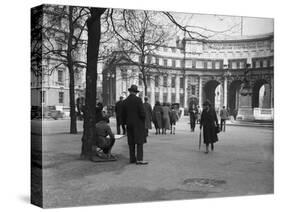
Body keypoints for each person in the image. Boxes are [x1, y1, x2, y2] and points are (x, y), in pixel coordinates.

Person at [122, 85, 148, 165]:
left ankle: (132, 158)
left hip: (129, 124)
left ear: (130, 91)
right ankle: (139, 159)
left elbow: (123, 115)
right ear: (136, 92)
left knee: (131, 142)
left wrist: (125, 123)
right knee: (139, 141)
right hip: (138, 123)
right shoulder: (138, 100)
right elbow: (142, 113)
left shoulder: (125, 101)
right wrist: (143, 119)